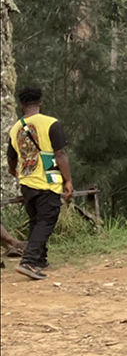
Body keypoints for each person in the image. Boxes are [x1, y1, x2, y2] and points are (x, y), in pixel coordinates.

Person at [7, 87, 73, 280]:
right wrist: (68, 180)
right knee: (46, 220)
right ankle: (28, 261)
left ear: (21, 105)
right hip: (48, 181)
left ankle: (40, 259)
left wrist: (15, 172)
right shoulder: (51, 123)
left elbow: (11, 157)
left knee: (36, 220)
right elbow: (60, 154)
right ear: (40, 103)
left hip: (27, 182)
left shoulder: (15, 128)